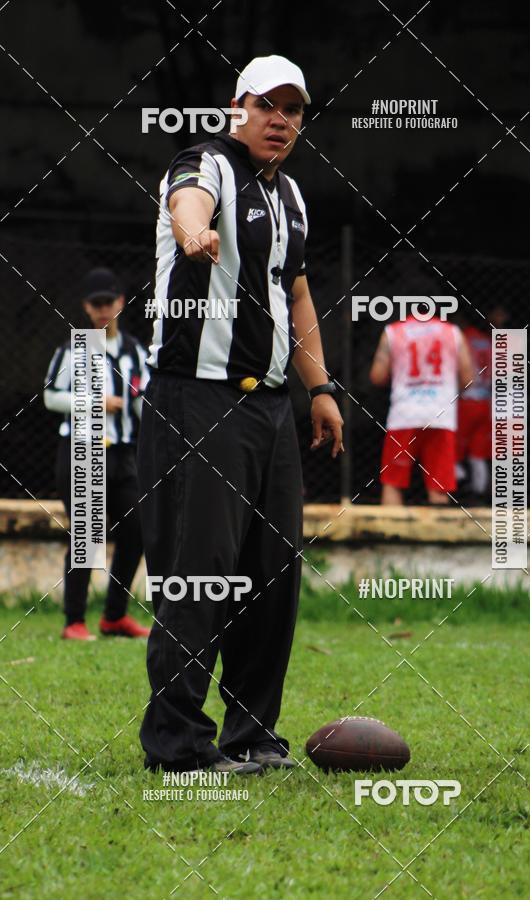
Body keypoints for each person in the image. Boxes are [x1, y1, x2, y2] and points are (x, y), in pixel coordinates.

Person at [139, 55, 343, 776]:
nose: (280, 121)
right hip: (198, 398)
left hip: (270, 407)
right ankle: (177, 745)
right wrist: (195, 232)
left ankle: (252, 735)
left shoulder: (291, 195)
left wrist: (320, 389)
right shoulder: (206, 164)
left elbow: (297, 294)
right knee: (201, 573)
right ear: (238, 108)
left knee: (271, 575)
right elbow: (187, 201)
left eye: (294, 109)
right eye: (267, 106)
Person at [44, 267, 150, 641]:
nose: (104, 310)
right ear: (87, 308)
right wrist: (94, 402)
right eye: (96, 304)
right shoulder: (74, 350)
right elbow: (50, 396)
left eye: (109, 302)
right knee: (87, 534)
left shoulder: (136, 352)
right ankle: (74, 621)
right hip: (82, 450)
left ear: (120, 302)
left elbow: (145, 403)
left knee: (137, 529)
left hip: (123, 453)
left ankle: (114, 617)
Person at [370, 308, 473, 504]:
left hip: (404, 414)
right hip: (441, 413)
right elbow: (468, 377)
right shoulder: (452, 332)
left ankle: (389, 525)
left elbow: (377, 376)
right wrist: (449, 392)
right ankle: (438, 524)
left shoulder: (393, 331)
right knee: (439, 487)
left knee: (392, 483)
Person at [456, 305, 508, 501]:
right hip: (486, 401)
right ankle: (478, 493)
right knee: (478, 452)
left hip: (466, 399)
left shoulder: (463, 338)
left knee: (453, 448)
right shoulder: (488, 341)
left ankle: (461, 482)